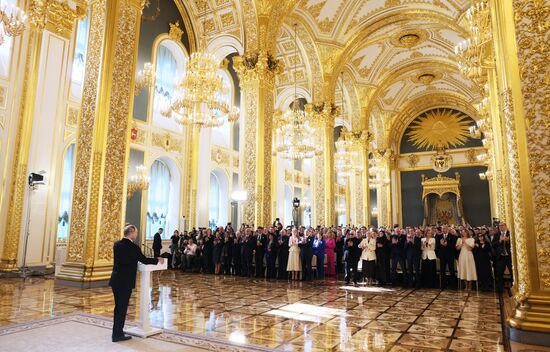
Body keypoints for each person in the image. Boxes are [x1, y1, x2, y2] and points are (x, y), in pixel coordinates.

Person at [109, 224, 164, 342]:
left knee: (118, 306)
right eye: (136, 232)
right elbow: (143, 259)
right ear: (131, 232)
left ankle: (117, 331)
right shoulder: (133, 247)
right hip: (126, 280)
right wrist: (157, 260)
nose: (136, 234)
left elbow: (126, 259)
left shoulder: (117, 244)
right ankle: (117, 334)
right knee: (122, 307)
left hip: (116, 279)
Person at [494, 222, 513, 293]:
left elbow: (516, 242)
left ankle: (513, 287)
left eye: (502, 225)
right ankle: (500, 289)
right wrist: (500, 240)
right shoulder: (497, 235)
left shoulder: (510, 233)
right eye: (499, 226)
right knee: (499, 273)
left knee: (512, 272)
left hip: (509, 256)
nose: (500, 227)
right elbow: (493, 244)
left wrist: (508, 240)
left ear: (505, 226)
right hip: (500, 257)